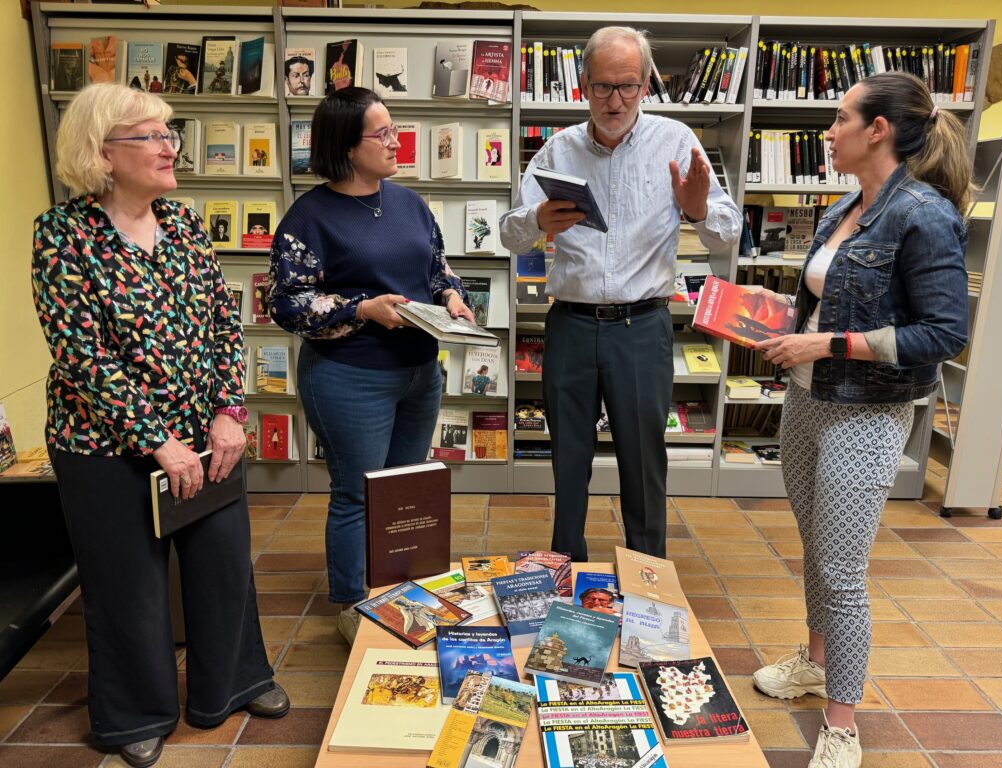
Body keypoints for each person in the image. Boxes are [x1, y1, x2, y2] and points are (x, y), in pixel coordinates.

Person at [30, 83, 289, 768]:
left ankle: (234, 682)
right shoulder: (62, 235)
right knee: (129, 587)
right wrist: (156, 440)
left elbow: (223, 324)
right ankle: (134, 714)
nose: (170, 146)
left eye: (169, 133)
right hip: (104, 447)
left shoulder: (185, 224)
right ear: (102, 152)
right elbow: (81, 355)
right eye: (150, 135)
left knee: (222, 566)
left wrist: (229, 412)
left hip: (206, 438)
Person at [749, 72, 971, 768]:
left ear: (878, 130)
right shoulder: (846, 205)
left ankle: (842, 723)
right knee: (815, 546)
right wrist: (775, 318)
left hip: (867, 415)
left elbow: (944, 333)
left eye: (841, 118)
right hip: (807, 400)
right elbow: (826, 303)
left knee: (842, 570)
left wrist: (829, 344)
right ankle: (815, 663)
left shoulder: (924, 215)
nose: (829, 131)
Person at [499, 26, 740, 561]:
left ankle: (646, 572)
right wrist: (537, 219)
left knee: (643, 461)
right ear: (583, 85)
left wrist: (698, 209)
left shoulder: (675, 142)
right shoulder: (557, 150)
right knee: (568, 459)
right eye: (603, 86)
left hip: (642, 327)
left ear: (646, 85)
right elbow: (509, 233)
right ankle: (568, 568)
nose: (615, 100)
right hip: (570, 325)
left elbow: (727, 233)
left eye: (628, 86)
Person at [269, 86, 472, 645]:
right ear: (346, 146)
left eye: (393, 129)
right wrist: (362, 309)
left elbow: (437, 268)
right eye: (381, 133)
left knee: (402, 493)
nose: (395, 141)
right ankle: (352, 605)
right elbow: (286, 303)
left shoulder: (409, 203)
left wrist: (452, 296)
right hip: (349, 376)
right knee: (357, 493)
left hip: (419, 371)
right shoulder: (309, 217)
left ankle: (397, 595)